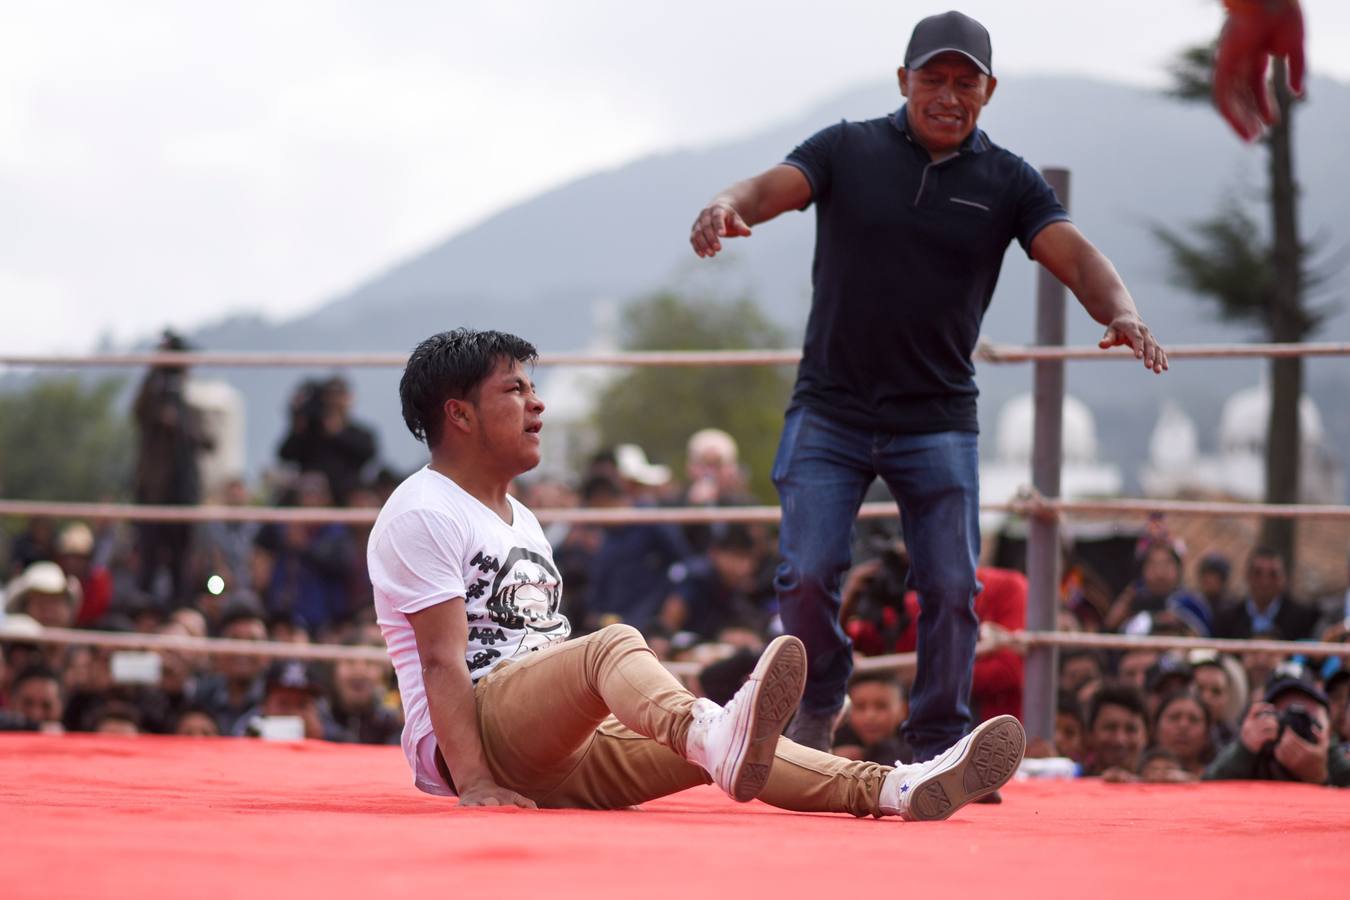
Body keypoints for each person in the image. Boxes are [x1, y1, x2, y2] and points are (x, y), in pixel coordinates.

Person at [689, 10, 1167, 756]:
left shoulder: (1008, 180)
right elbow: (768, 186)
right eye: (933, 79)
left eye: (965, 83)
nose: (948, 95)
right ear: (903, 80)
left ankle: (938, 743)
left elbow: (1076, 255)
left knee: (950, 587)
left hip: (937, 418)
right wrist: (727, 205)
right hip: (832, 409)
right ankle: (821, 692)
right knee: (806, 574)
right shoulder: (847, 148)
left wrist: (1123, 312)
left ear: (989, 90)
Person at [367, 327, 1025, 818]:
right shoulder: (425, 510)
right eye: (515, 391)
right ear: (458, 413)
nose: (537, 406)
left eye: (534, 389)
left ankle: (894, 788)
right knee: (616, 647)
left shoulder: (522, 518)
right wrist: (476, 782)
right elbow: (441, 663)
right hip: (480, 735)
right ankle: (712, 733)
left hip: (552, 744)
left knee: (724, 749)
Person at [1204, 674, 1350, 787]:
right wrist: (1244, 751)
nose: (1295, 723)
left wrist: (1319, 778)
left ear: (1325, 718)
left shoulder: (1327, 747)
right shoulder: (1257, 748)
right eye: (1286, 714)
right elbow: (1207, 787)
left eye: (1305, 713)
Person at [1214, 0, 1306, 142]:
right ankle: (1258, 124)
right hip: (1254, 18)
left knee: (1231, 87)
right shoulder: (1288, 18)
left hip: (1247, 20)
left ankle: (1254, 129)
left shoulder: (1247, 24)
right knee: (1248, 81)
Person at [1213, 547, 1319, 640]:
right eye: (1257, 573)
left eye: (1273, 574)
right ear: (1247, 575)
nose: (1265, 581)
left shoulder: (1303, 619)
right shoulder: (1227, 619)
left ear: (1284, 578)